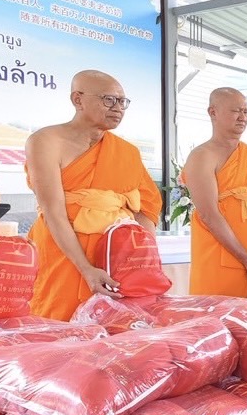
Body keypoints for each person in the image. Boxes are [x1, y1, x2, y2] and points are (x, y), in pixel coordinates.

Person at [25, 70, 162, 320]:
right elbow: (53, 211)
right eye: (108, 100)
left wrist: (143, 261)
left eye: (122, 102)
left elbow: (147, 207)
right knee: (57, 325)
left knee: (114, 329)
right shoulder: (46, 140)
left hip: (115, 257)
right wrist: (86, 268)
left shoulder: (126, 151)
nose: (118, 108)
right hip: (63, 251)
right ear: (78, 100)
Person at [181, 87, 247, 297]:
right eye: (236, 111)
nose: (243, 117)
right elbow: (209, 214)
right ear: (213, 112)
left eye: (246, 111)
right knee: (219, 318)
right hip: (222, 257)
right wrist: (245, 258)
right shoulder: (202, 156)